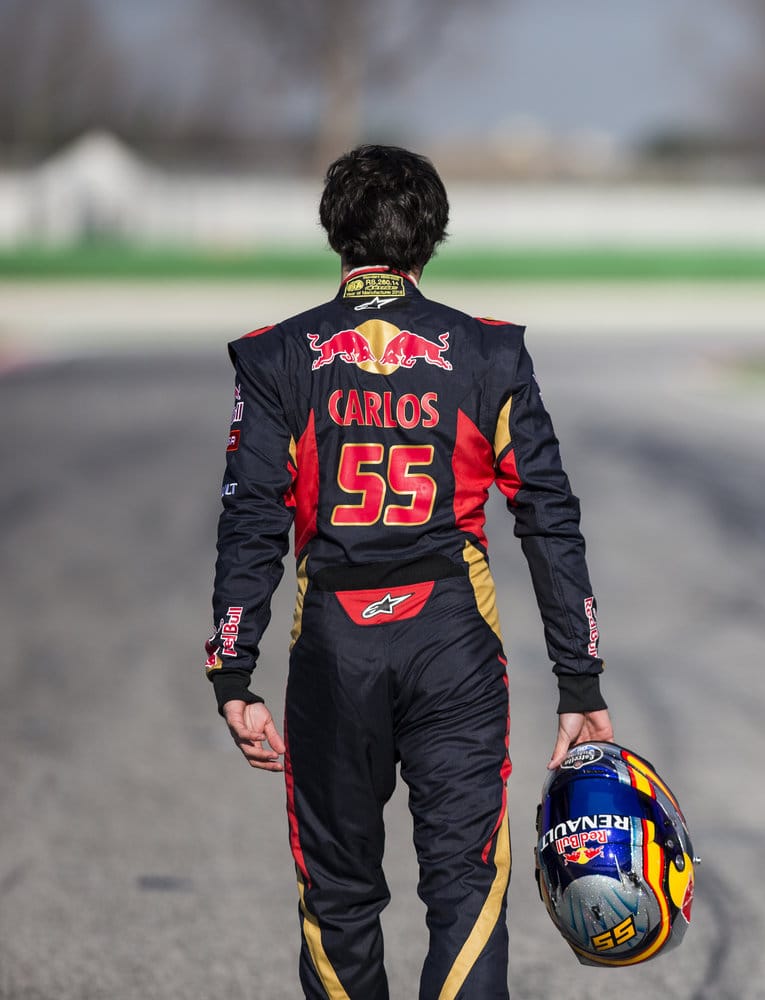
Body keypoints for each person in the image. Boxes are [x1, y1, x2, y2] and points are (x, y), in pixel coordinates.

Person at [203, 144, 613, 1000]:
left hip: (335, 647)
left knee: (340, 897)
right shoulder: (491, 355)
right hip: (452, 645)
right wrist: (580, 679)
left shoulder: (278, 357)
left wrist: (231, 669)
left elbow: (251, 516)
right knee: (465, 892)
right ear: (431, 238)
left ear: (335, 234)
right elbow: (549, 515)